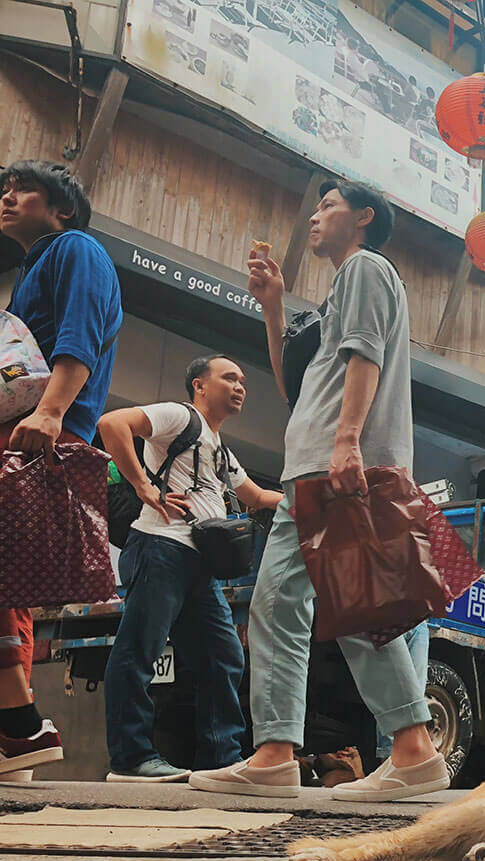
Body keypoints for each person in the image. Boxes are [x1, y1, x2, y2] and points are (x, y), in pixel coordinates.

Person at [191, 179, 449, 801]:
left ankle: (392, 751)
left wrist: (347, 442)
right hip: (312, 467)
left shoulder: (365, 267)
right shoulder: (338, 291)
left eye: (329, 205)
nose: (315, 215)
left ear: (363, 217)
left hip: (331, 468)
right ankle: (287, 753)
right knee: (298, 607)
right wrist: (273, 306)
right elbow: (297, 386)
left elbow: (366, 356)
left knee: (315, 608)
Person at [97, 356, 283, 782]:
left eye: (243, 381)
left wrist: (308, 497)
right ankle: (130, 759)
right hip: (160, 547)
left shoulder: (221, 449)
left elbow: (254, 495)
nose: (240, 387)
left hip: (199, 565)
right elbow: (112, 424)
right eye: (229, 378)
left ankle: (222, 759)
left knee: (224, 654)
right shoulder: (180, 416)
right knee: (139, 651)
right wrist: (145, 486)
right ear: (200, 385)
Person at [0, 160, 121, 776]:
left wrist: (49, 417)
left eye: (22, 189)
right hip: (20, 431)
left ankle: (19, 725)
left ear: (62, 206)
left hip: (40, 434)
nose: (7, 197)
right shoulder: (27, 275)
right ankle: (14, 731)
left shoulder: (77, 248)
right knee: (9, 587)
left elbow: (81, 337)